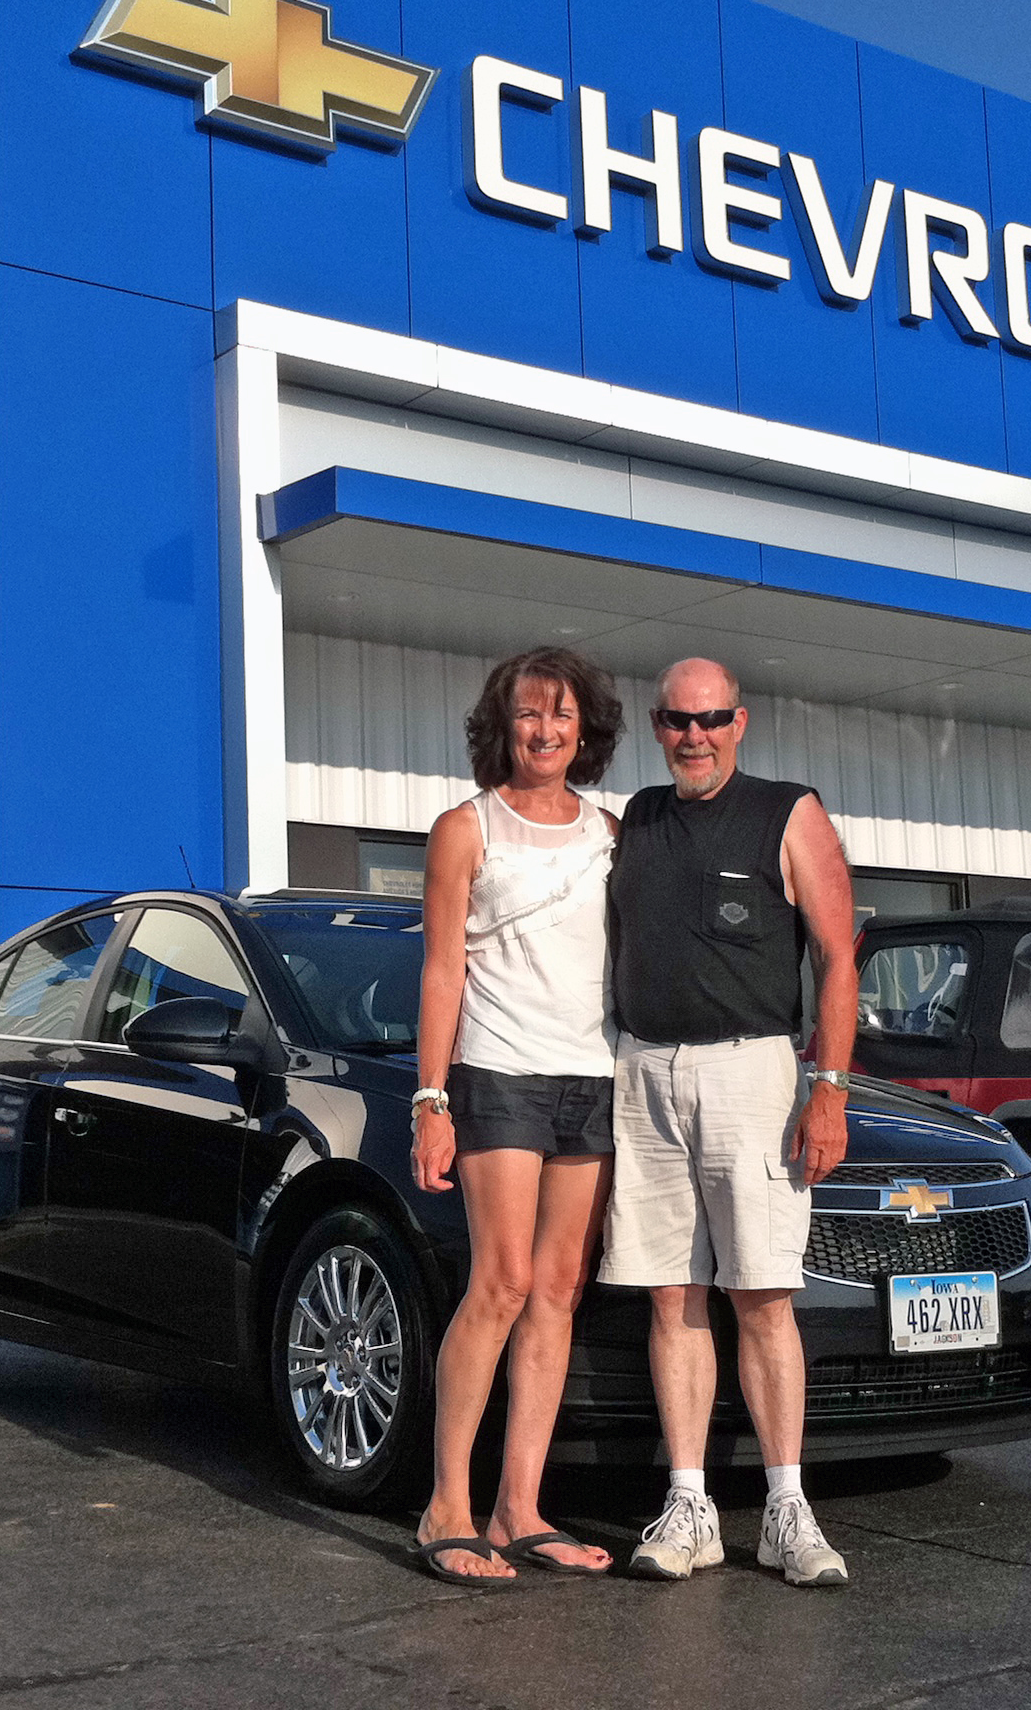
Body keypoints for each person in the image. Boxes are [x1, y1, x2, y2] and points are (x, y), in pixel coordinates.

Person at [600, 657, 860, 1587]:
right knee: (671, 1296)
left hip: (753, 1075)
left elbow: (837, 958)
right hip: (646, 1075)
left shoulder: (790, 813)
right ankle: (691, 1506)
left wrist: (828, 1089)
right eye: (676, 721)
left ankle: (788, 1510)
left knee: (761, 1296)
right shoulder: (635, 820)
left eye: (709, 720)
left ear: (739, 722)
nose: (693, 736)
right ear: (658, 726)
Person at [409, 647, 625, 1584]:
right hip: (498, 1074)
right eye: (530, 715)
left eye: (562, 716)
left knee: (557, 1289)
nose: (545, 732)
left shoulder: (614, 833)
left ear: (586, 731)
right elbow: (442, 970)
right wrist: (431, 1099)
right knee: (497, 1281)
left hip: (595, 1075)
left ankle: (517, 1510)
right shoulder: (466, 829)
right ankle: (444, 1508)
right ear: (504, 725)